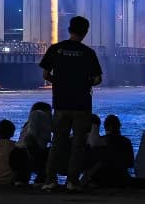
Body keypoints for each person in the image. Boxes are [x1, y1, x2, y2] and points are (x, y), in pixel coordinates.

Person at [39, 15, 104, 191]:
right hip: (82, 104)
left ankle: (50, 180)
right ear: (85, 32)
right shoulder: (88, 53)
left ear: (69, 30)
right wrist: (85, 84)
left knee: (57, 142)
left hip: (61, 103)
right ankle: (72, 181)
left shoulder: (56, 49)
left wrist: (59, 83)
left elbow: (45, 75)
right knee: (78, 144)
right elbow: (98, 78)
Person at [86, 114, 135, 189]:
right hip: (121, 179)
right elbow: (130, 163)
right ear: (119, 126)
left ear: (107, 127)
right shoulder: (126, 141)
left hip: (101, 179)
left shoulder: (100, 142)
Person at [17, 101, 53, 184]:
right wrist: (35, 154)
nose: (51, 114)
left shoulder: (39, 123)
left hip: (22, 152)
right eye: (50, 112)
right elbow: (30, 137)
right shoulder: (38, 114)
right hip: (27, 152)